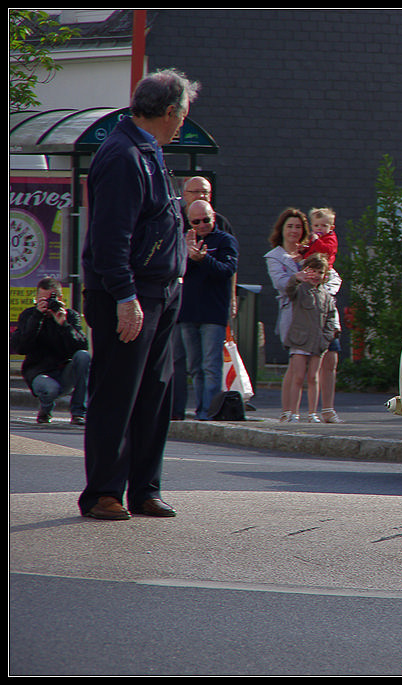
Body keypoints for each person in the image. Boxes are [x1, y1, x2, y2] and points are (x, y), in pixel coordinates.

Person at [78, 68, 200, 521]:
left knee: (155, 394)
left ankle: (145, 488)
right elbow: (111, 239)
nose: (183, 123)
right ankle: (104, 492)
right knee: (118, 393)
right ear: (169, 112)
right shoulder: (123, 155)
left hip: (161, 291)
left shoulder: (146, 150)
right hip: (129, 295)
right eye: (182, 114)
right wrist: (126, 297)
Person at [178, 199, 239, 420]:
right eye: (196, 221)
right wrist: (187, 256)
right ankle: (201, 409)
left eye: (206, 220)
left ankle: (209, 412)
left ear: (213, 217)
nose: (202, 225)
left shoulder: (225, 241)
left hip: (213, 313)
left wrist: (204, 259)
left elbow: (227, 270)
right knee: (195, 366)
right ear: (189, 222)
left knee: (211, 365)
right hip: (187, 312)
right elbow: (174, 270)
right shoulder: (183, 240)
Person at [11, 277, 91, 425]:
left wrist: (64, 324)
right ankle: (45, 410)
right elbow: (20, 347)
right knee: (50, 388)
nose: (47, 304)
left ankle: (79, 412)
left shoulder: (70, 316)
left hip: (63, 371)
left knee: (83, 356)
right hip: (38, 372)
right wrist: (37, 317)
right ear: (36, 299)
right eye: (42, 300)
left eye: (51, 299)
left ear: (60, 299)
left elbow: (81, 346)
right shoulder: (29, 315)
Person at [265, 208, 311, 421]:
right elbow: (281, 284)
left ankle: (297, 412)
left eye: (298, 227)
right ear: (281, 229)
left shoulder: (310, 252)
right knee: (295, 366)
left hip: (313, 314)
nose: (294, 230)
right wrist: (300, 277)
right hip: (292, 314)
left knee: (308, 369)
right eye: (290, 226)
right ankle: (288, 412)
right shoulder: (275, 256)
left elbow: (330, 275)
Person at [284, 253, 335, 422]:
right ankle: (293, 413)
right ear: (306, 271)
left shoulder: (326, 296)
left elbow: (330, 319)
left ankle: (312, 413)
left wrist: (326, 339)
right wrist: (296, 278)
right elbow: (289, 290)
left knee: (313, 378)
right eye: (312, 271)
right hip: (299, 341)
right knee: (298, 377)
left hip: (317, 344)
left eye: (320, 272)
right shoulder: (299, 290)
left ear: (325, 275)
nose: (316, 276)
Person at [304, 207, 343, 423]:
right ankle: (306, 411)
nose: (319, 229)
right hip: (307, 320)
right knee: (307, 367)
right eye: (316, 226)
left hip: (327, 320)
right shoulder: (309, 246)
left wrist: (312, 242)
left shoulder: (327, 241)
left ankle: (327, 409)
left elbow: (324, 252)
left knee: (329, 363)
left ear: (331, 227)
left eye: (323, 226)